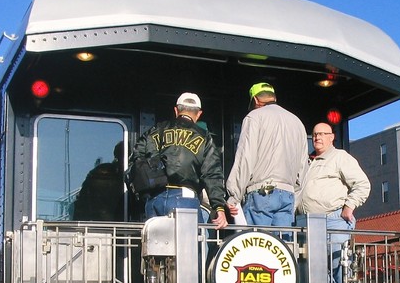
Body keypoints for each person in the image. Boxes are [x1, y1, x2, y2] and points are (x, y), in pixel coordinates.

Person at [296, 121, 371, 283]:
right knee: (318, 272)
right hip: (309, 224)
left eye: (322, 134)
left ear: (332, 137)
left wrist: (349, 206)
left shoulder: (340, 157)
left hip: (334, 220)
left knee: (339, 269)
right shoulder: (308, 162)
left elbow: (362, 184)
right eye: (315, 134)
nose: (318, 137)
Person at [130, 92, 228, 229]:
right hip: (185, 199)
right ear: (199, 113)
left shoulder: (156, 130)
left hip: (155, 197)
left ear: (176, 110)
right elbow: (212, 173)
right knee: (190, 248)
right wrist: (219, 207)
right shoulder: (204, 137)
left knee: (155, 248)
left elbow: (137, 159)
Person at [226, 83, 308, 228]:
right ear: (274, 97)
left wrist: (234, 195)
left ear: (256, 100)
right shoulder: (297, 122)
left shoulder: (254, 117)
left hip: (261, 194)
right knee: (282, 247)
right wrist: (295, 198)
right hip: (288, 195)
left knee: (256, 246)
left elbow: (245, 158)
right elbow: (303, 168)